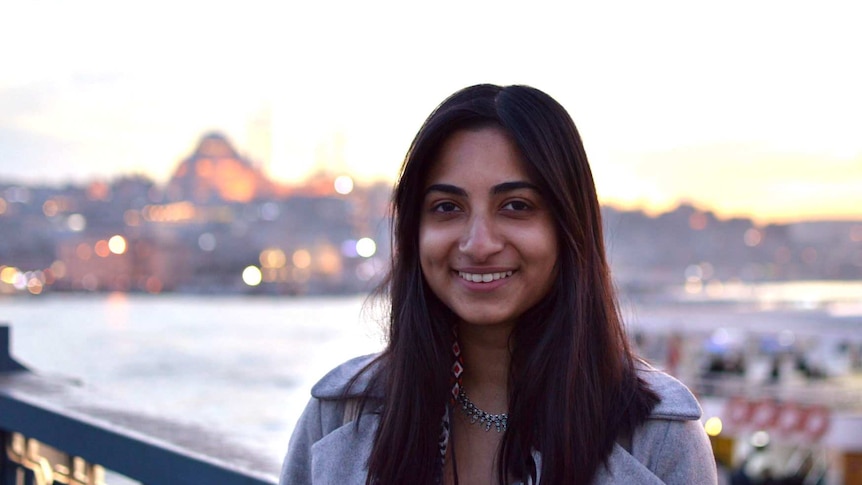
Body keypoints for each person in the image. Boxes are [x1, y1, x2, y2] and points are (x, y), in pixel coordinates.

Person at [280, 84, 717, 484]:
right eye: (448, 207)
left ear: (568, 227)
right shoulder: (337, 417)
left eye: (515, 205)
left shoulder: (657, 438)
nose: (479, 244)